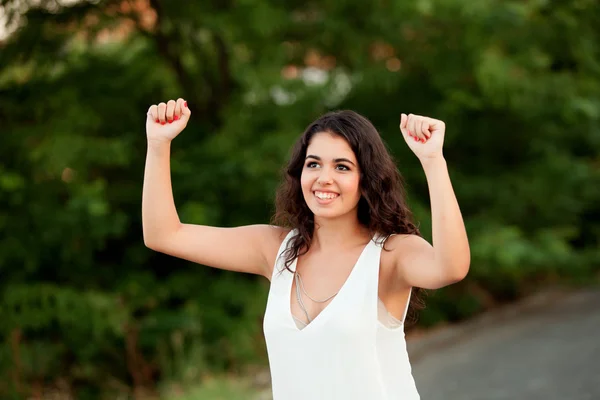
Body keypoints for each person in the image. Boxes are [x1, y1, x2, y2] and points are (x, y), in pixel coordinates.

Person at [142, 98, 470, 400]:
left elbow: (451, 267)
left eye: (342, 167)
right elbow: (164, 235)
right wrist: (158, 145)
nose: (323, 178)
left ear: (366, 179)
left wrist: (432, 161)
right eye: (313, 164)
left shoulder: (391, 254)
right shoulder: (274, 249)